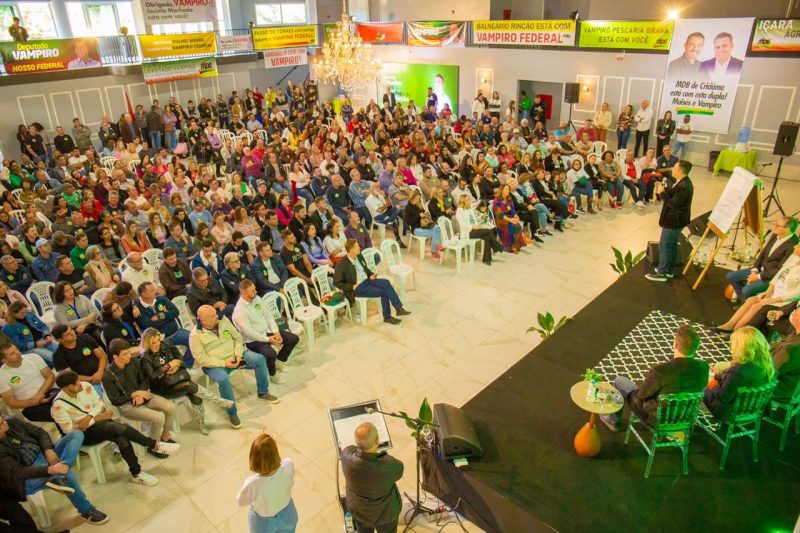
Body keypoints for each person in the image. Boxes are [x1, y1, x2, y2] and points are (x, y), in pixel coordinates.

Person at [51, 370, 179, 486]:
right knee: (114, 427)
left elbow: (100, 405)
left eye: (78, 380)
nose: (80, 384)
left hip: (100, 424)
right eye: (75, 383)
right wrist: (96, 418)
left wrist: (90, 417)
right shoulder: (58, 406)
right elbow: (70, 431)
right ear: (66, 388)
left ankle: (137, 473)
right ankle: (152, 445)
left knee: (120, 436)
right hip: (84, 436)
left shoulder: (85, 386)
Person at [0, 415, 110, 525]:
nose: (5, 423)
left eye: (2, 420)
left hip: (43, 454)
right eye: (1, 424)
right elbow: (18, 473)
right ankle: (87, 511)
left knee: (76, 435)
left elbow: (40, 432)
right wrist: (50, 470)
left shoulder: (11, 422)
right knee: (69, 475)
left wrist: (48, 450)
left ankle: (58, 477)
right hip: (27, 477)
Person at [600, 324, 709, 431]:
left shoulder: (660, 371)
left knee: (620, 381)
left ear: (675, 344)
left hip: (656, 419)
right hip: (685, 418)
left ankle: (612, 421)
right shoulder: (704, 367)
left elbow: (641, 394)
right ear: (696, 348)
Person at [189, 305, 278, 429]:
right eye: (213, 316)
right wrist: (224, 363)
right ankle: (232, 412)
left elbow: (237, 338)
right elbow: (201, 359)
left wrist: (237, 354)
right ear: (203, 320)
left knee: (259, 359)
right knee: (223, 379)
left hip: (235, 355)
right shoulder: (195, 335)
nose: (216, 316)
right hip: (214, 364)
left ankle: (263, 392)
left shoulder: (224, 320)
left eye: (215, 313)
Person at [139, 327, 233, 436]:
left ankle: (202, 423)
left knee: (194, 393)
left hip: (177, 379)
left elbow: (183, 361)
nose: (157, 344)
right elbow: (152, 377)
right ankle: (219, 401)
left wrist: (177, 364)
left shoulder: (167, 344)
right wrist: (168, 365)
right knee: (189, 386)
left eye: (158, 340)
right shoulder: (145, 358)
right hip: (162, 388)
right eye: (153, 342)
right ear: (147, 343)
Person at [102, 339, 177, 449]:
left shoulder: (134, 362)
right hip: (127, 405)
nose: (129, 355)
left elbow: (143, 380)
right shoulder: (108, 376)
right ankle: (154, 446)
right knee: (159, 417)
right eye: (125, 354)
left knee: (171, 408)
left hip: (143, 395)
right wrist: (134, 394)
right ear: (115, 356)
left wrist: (140, 394)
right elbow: (116, 400)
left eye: (129, 352)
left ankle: (165, 435)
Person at [716, 244, 800, 332]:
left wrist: (774, 300)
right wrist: (768, 290)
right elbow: (779, 274)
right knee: (751, 300)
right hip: (773, 292)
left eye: (798, 246)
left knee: (756, 306)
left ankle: (737, 331)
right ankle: (728, 325)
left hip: (783, 300)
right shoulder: (793, 257)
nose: (794, 246)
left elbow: (796, 294)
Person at [233, 279, 301, 385]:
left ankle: (280, 361)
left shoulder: (257, 299)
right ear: (244, 293)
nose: (256, 292)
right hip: (254, 340)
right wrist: (268, 339)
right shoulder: (239, 311)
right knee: (270, 354)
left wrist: (276, 331)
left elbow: (269, 316)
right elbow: (249, 333)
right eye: (252, 290)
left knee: (293, 338)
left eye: (255, 289)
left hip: (267, 332)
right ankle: (272, 374)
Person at [340, 422, 403, 533]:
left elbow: (349, 448)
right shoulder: (389, 465)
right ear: (377, 441)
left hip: (359, 511)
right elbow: (400, 470)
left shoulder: (346, 456)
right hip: (385, 514)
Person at [704, 327, 775, 420]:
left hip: (730, 411)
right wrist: (721, 374)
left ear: (740, 347)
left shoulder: (738, 371)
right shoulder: (766, 364)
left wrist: (712, 382)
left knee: (699, 384)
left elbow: (723, 397)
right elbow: (737, 382)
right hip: (753, 408)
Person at [334, 240, 409, 325]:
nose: (359, 247)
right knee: (385, 292)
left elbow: (366, 269)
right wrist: (351, 287)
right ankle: (388, 316)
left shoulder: (359, 256)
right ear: (351, 250)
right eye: (357, 246)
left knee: (386, 283)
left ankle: (398, 308)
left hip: (368, 280)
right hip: (358, 287)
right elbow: (336, 282)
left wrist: (371, 274)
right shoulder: (342, 264)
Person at [236, 433, 298, 533]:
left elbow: (240, 501)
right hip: (288, 512)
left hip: (263, 521)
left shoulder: (253, 483)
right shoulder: (288, 464)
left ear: (253, 460)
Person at [725, 217, 798, 301]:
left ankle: (744, 298)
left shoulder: (793, 244)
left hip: (770, 278)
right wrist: (755, 270)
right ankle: (743, 298)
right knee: (730, 276)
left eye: (778, 225)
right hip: (760, 269)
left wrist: (758, 277)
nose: (774, 226)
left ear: (787, 230)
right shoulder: (775, 235)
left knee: (746, 290)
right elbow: (763, 253)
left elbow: (780, 269)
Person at [646, 160, 693, 282]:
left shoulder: (683, 187)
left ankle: (662, 273)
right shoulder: (682, 182)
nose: (673, 169)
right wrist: (664, 190)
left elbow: (674, 204)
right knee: (671, 245)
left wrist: (662, 194)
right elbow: (673, 195)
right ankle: (668, 270)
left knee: (665, 245)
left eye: (675, 168)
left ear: (680, 171)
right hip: (676, 220)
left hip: (674, 221)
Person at [0, 344, 58, 424]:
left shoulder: (33, 357)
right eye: (12, 353)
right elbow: (11, 402)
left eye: (16, 349)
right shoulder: (2, 375)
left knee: (68, 403)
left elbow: (50, 377)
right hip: (29, 406)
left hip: (48, 392)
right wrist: (34, 401)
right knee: (58, 413)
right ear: (4, 360)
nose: (17, 353)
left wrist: (38, 395)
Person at [52, 324, 107, 397]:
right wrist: (92, 379)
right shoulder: (58, 355)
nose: (72, 333)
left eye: (71, 330)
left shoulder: (85, 337)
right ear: (60, 340)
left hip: (103, 371)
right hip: (85, 382)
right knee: (98, 397)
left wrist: (100, 371)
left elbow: (102, 356)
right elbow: (69, 377)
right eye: (67, 334)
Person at [2, 301, 58, 366]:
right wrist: (35, 344)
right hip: (29, 348)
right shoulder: (8, 327)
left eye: (25, 311)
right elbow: (18, 345)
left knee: (61, 350)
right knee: (53, 357)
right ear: (14, 313)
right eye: (22, 313)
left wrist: (47, 335)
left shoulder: (29, 314)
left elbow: (42, 326)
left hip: (42, 339)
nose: (25, 314)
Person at [455, 195, 504, 265]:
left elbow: (474, 220)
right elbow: (462, 225)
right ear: (462, 201)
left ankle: (487, 259)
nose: (469, 201)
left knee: (487, 237)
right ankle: (497, 246)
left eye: (469, 199)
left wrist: (477, 226)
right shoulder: (460, 210)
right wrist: (472, 227)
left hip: (475, 228)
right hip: (467, 232)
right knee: (488, 231)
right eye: (467, 200)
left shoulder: (470, 208)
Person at [53, 280, 104, 346]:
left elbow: (94, 312)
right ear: (60, 294)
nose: (70, 292)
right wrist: (86, 319)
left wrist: (85, 324)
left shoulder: (82, 298)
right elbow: (65, 324)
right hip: (74, 332)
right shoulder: (58, 309)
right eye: (66, 291)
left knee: (98, 335)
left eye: (70, 288)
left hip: (92, 325)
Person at [403, 190, 444, 260]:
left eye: (419, 198)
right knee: (434, 233)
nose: (419, 200)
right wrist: (418, 215)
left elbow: (423, 214)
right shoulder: (408, 208)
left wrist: (425, 214)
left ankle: (436, 247)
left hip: (424, 225)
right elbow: (408, 222)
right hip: (416, 229)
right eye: (417, 198)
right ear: (412, 198)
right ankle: (435, 250)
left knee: (437, 228)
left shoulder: (418, 205)